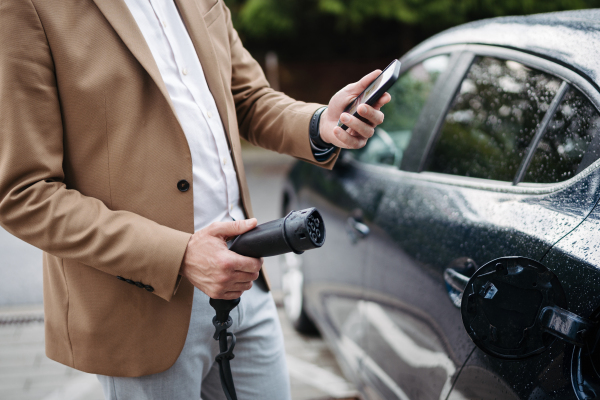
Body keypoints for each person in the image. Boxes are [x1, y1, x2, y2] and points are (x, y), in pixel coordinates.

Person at [0, 0, 390, 398]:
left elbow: (247, 97)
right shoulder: (26, 8)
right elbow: (24, 193)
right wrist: (179, 254)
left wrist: (319, 124)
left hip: (246, 285)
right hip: (140, 312)